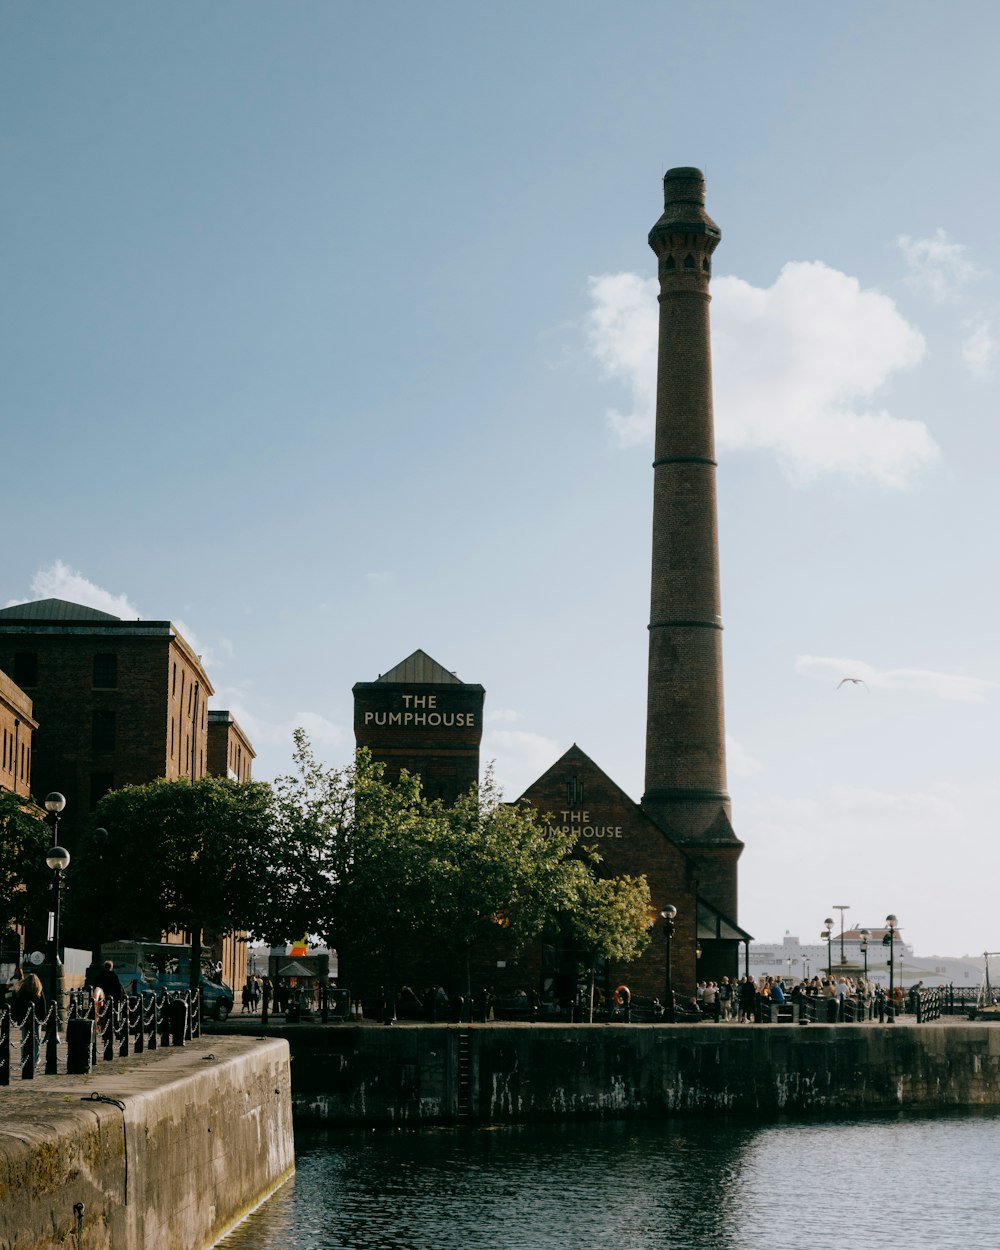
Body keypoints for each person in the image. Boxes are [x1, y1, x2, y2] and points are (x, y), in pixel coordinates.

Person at [12, 970, 45, 1067]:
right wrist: (43, 1019)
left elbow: (16, 1006)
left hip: (24, 1020)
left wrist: (16, 1018)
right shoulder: (38, 993)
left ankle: (24, 1058)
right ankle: (35, 1059)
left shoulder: (21, 992)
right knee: (36, 1039)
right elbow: (43, 1007)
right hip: (36, 1020)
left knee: (24, 1039)